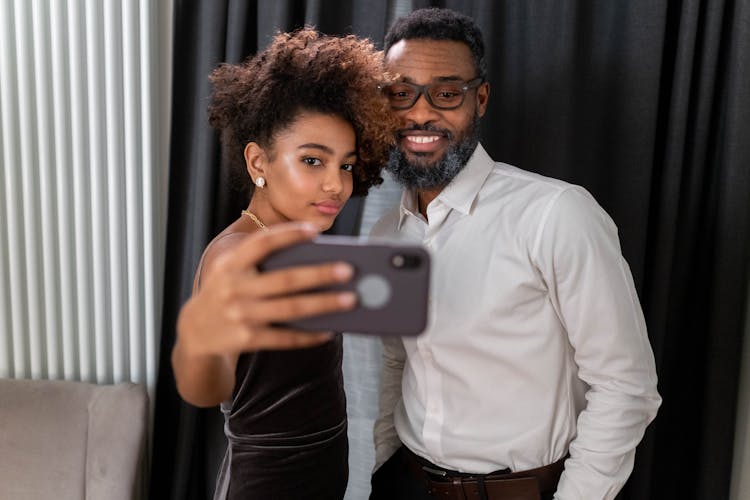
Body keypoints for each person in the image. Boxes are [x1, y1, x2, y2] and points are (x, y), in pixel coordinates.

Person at [369, 8, 661, 500]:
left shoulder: (556, 214)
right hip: (407, 485)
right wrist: (355, 476)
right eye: (401, 93)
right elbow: (395, 366)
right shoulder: (386, 234)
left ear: (479, 99)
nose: (420, 113)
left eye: (445, 93)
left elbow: (625, 387)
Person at [170, 28, 397, 500]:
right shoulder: (237, 253)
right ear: (259, 161)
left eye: (347, 166)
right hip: (268, 484)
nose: (335, 185)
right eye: (313, 161)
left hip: (324, 472)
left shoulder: (301, 243)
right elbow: (206, 387)